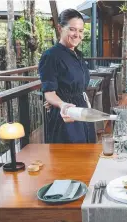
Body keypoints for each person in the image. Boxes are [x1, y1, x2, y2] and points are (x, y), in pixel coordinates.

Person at [39, 9, 96, 143]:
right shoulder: (51, 56)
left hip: (83, 111)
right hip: (66, 115)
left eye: (81, 31)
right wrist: (61, 103)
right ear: (60, 28)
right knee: (70, 159)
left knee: (88, 156)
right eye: (72, 29)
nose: (77, 34)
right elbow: (49, 92)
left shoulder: (78, 55)